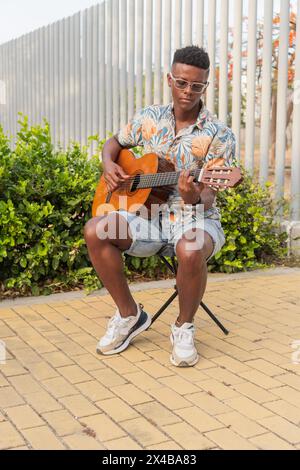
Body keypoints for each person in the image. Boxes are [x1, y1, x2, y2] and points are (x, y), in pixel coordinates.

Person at [84, 45, 236, 367]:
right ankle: (130, 315)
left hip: (195, 218)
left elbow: (210, 194)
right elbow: (115, 142)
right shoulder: (149, 118)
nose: (187, 91)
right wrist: (108, 164)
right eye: (181, 83)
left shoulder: (219, 134)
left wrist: (194, 196)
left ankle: (183, 327)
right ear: (170, 79)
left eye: (196, 86)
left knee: (191, 248)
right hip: (147, 219)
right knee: (97, 229)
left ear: (206, 85)